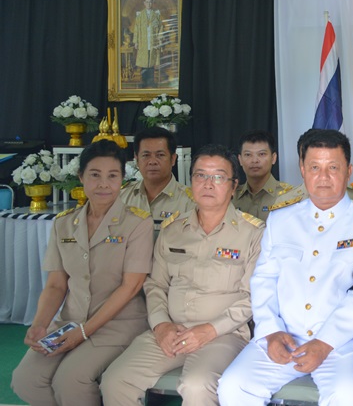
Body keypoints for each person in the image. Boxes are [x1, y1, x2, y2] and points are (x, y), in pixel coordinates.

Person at [216, 129, 353, 405]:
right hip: (283, 337)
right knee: (234, 386)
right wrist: (271, 331)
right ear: (302, 170)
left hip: (344, 343)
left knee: (348, 396)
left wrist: (325, 342)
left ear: (348, 171)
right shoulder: (281, 219)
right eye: (315, 167)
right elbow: (263, 280)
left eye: (333, 168)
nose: (324, 177)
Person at [101, 144, 264, 406]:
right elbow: (155, 285)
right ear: (191, 182)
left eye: (218, 177)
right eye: (201, 175)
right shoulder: (172, 229)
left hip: (224, 334)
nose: (208, 184)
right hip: (171, 331)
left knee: (197, 385)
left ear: (234, 186)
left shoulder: (253, 233)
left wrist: (209, 330)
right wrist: (161, 325)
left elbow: (253, 297)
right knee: (115, 380)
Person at [11, 140, 154, 406]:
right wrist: (40, 324)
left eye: (112, 176)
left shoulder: (137, 222)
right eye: (95, 175)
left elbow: (131, 286)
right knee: (25, 380)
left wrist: (84, 332)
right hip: (70, 321)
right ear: (81, 177)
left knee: (70, 380)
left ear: (122, 180)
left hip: (119, 325)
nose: (103, 184)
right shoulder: (64, 223)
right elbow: (56, 285)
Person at [120, 127, 194, 224]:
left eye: (160, 155)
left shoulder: (190, 202)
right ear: (136, 159)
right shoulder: (121, 197)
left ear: (173, 159)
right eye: (146, 155)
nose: (152, 161)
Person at [233, 130, 293, 221]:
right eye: (248, 155)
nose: (254, 160)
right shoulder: (231, 196)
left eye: (261, 154)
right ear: (240, 159)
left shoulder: (289, 195)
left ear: (273, 158)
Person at [133, 0, 162, 88]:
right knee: (144, 62)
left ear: (152, 3)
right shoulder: (140, 15)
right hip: (143, 42)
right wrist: (136, 42)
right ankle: (144, 81)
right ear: (144, 3)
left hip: (153, 42)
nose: (149, 4)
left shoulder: (156, 14)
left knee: (152, 61)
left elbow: (160, 28)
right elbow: (136, 29)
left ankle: (151, 81)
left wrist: (159, 39)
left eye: (150, 2)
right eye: (147, 2)